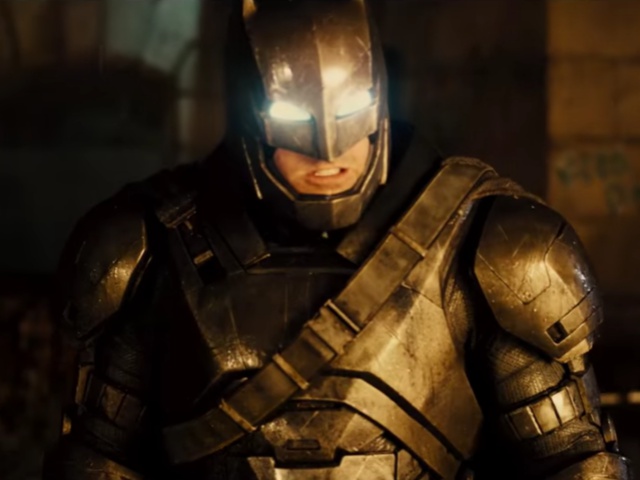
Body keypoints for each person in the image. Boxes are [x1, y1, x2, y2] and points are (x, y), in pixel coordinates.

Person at [43, 0, 631, 478]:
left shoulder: (486, 243)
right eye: (296, 125)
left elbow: (572, 461)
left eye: (351, 112)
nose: (328, 153)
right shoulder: (154, 247)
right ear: (252, 119)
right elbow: (101, 458)